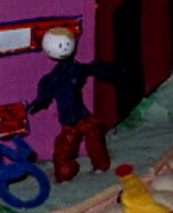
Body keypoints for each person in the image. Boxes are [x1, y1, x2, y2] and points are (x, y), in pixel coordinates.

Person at [29, 27, 120, 183]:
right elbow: (45, 92)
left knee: (93, 137)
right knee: (65, 145)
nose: (64, 49)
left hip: (82, 114)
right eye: (60, 46)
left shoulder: (76, 69)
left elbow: (94, 69)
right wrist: (38, 102)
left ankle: (100, 165)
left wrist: (110, 71)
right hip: (68, 119)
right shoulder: (53, 78)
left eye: (67, 45)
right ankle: (63, 173)